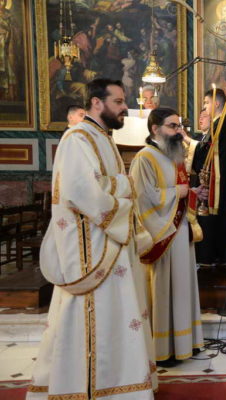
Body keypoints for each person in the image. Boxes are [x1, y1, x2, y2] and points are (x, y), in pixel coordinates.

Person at [27, 78, 157, 399]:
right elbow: (81, 190)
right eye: (119, 101)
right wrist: (123, 192)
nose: (125, 107)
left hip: (111, 243)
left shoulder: (104, 138)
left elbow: (112, 184)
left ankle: (119, 387)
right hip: (93, 248)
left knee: (118, 315)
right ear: (96, 103)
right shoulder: (77, 138)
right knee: (92, 315)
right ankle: (86, 387)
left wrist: (118, 187)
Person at [130, 107, 204, 368]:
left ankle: (185, 343)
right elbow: (142, 197)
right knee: (164, 290)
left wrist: (192, 193)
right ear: (155, 129)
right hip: (162, 234)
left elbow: (179, 191)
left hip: (180, 231)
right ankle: (164, 349)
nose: (179, 131)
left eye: (179, 126)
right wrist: (179, 192)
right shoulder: (144, 158)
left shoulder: (173, 156)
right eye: (173, 126)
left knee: (183, 288)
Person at [183, 88, 226, 268]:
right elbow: (205, 149)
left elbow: (207, 152)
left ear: (217, 103)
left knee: (213, 219)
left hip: (217, 182)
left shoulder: (222, 123)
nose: (204, 107)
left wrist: (187, 140)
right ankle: (207, 257)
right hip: (211, 179)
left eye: (206, 102)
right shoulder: (217, 124)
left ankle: (213, 257)